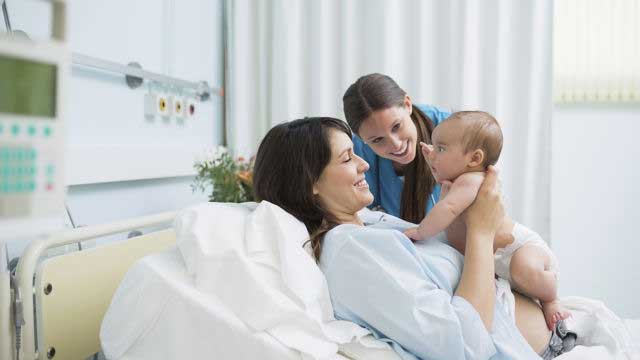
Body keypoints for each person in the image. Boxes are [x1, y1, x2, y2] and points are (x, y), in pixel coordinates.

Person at [252, 117, 577, 359]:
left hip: (550, 339)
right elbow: (465, 346)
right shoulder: (352, 254)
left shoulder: (369, 222)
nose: (365, 163)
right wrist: (481, 231)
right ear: (311, 182)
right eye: (348, 158)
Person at [402, 111, 570, 331]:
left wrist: (421, 232)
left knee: (524, 270)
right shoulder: (457, 181)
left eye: (441, 148)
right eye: (433, 147)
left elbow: (448, 208)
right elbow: (444, 183)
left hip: (519, 247)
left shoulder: (471, 181)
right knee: (518, 279)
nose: (433, 154)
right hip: (500, 258)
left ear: (474, 159)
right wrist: (434, 157)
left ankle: (551, 298)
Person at [342, 73, 451, 224]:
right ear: (361, 138)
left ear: (407, 105)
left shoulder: (450, 127)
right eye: (378, 140)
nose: (396, 145)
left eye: (396, 126)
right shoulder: (356, 155)